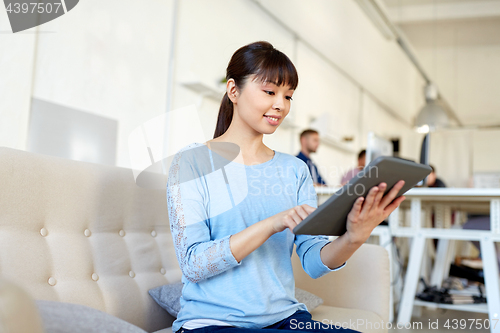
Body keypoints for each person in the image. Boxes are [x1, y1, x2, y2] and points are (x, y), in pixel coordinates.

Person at [166, 41, 406, 333]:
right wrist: (271, 224)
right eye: (269, 92)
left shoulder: (294, 170)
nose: (280, 105)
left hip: (285, 319)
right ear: (233, 91)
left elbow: (314, 262)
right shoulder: (192, 162)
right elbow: (194, 264)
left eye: (288, 96)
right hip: (212, 323)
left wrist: (355, 237)